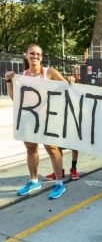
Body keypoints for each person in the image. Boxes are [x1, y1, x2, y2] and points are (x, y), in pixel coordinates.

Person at [4, 44, 68, 200]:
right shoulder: (21, 76)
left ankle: (59, 183)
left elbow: (66, 87)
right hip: (29, 119)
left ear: (42, 57)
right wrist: (8, 81)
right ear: (26, 55)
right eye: (32, 53)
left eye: (38, 54)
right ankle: (34, 181)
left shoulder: (49, 72)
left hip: (47, 120)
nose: (35, 56)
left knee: (52, 149)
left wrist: (69, 80)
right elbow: (15, 99)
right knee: (31, 149)